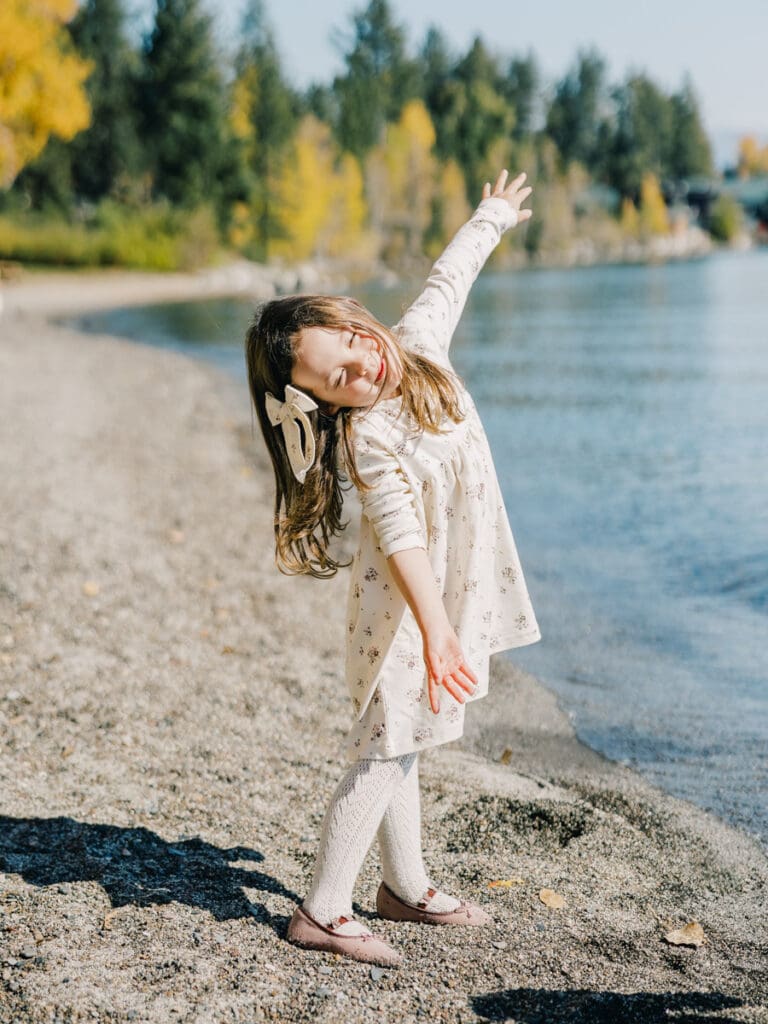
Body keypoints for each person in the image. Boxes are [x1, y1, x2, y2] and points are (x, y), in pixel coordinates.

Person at [244, 170, 540, 967]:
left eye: (348, 346)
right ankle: (323, 907)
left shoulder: (416, 347)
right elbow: (402, 531)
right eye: (334, 380)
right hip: (403, 608)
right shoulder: (366, 435)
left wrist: (492, 216)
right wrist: (438, 629)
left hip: (429, 599)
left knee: (406, 739)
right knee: (388, 746)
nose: (358, 369)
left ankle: (403, 888)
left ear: (353, 320)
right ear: (327, 403)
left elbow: (451, 276)